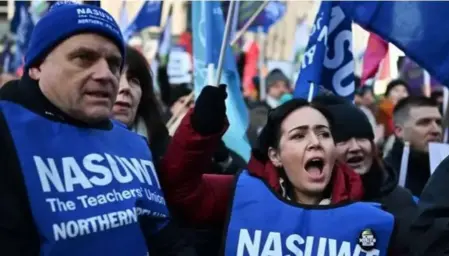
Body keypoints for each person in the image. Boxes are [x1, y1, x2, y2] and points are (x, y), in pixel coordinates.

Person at [0, 2, 185, 255]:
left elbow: (165, 239)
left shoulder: (134, 145)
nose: (106, 75)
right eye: (84, 58)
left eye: (113, 63)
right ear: (36, 67)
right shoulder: (7, 134)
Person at [162, 86, 400, 255]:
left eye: (324, 134)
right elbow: (181, 191)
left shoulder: (369, 215)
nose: (315, 142)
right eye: (298, 135)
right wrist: (200, 130)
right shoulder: (240, 197)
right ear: (275, 155)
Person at [314, 95, 417, 254]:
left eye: (362, 137)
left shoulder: (399, 201)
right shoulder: (304, 202)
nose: (355, 147)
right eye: (342, 139)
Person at [384, 96, 442, 197]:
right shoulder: (384, 177)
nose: (436, 130)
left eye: (438, 122)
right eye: (424, 122)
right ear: (399, 131)